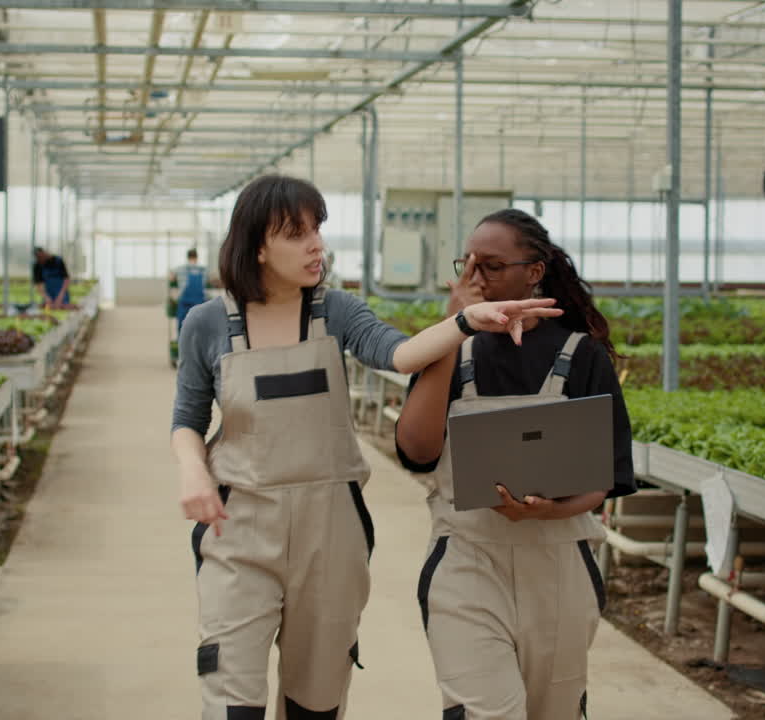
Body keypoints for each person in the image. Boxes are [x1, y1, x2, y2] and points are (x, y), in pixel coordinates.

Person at [171, 176, 563, 719]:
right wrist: (193, 471)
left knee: (317, 698)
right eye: (296, 234)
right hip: (239, 530)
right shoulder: (207, 324)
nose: (316, 246)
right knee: (230, 698)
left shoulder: (335, 312)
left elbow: (400, 355)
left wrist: (465, 321)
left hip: (330, 533)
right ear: (258, 246)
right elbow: (187, 419)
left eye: (318, 230)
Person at [395, 208, 636, 720]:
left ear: (534, 271)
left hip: (560, 564)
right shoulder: (450, 351)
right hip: (466, 560)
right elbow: (416, 450)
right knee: (486, 711)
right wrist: (451, 329)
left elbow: (605, 476)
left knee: (556, 709)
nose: (476, 279)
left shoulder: (582, 356)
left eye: (493, 267)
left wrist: (546, 511)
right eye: (469, 265)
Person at [171, 248, 210, 332]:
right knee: (200, 326)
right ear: (196, 257)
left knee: (182, 325)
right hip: (200, 302)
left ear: (188, 257)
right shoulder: (203, 269)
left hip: (185, 302)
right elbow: (208, 282)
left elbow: (171, 277)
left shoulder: (180, 268)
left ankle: (182, 344)